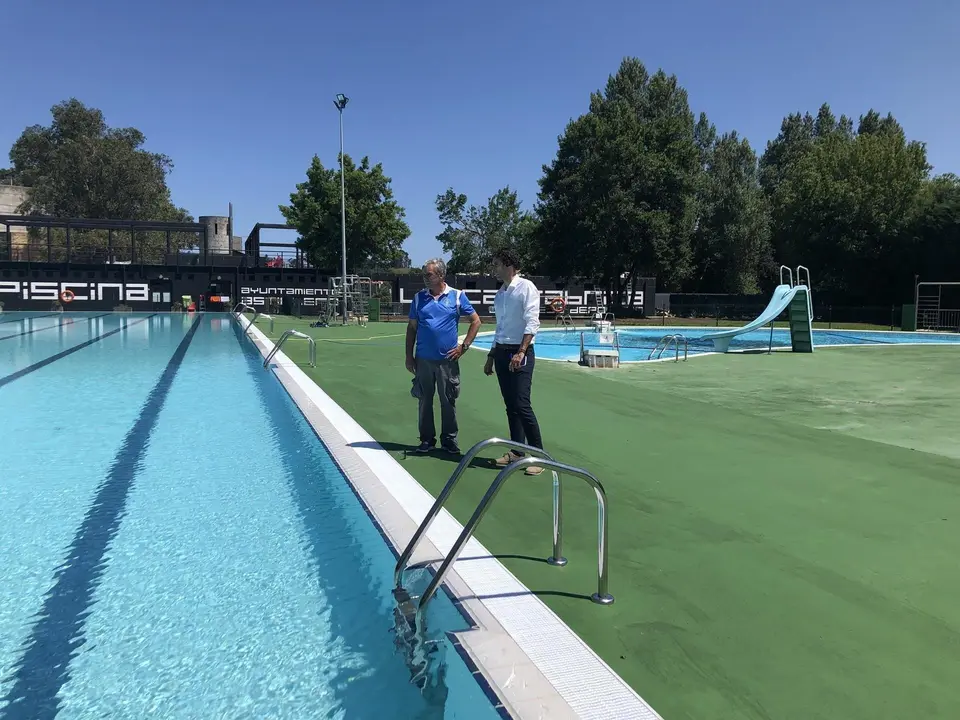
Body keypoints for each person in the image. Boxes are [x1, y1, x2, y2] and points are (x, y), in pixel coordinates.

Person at [406, 258, 482, 454]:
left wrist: (463, 347)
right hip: (423, 360)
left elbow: (476, 321)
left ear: (441, 275)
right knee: (424, 400)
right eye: (424, 274)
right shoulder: (418, 298)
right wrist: (409, 356)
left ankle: (449, 441)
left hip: (447, 361)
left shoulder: (457, 297)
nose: (425, 278)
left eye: (428, 274)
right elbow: (412, 328)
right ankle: (426, 440)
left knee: (448, 400)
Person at [483, 248, 545, 476]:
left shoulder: (526, 287)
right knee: (511, 406)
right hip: (501, 352)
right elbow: (500, 328)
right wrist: (491, 355)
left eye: (497, 264)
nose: (495, 268)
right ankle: (518, 452)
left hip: (522, 352)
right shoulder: (500, 293)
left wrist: (521, 352)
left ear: (509, 265)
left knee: (522, 404)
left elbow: (532, 322)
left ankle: (539, 456)